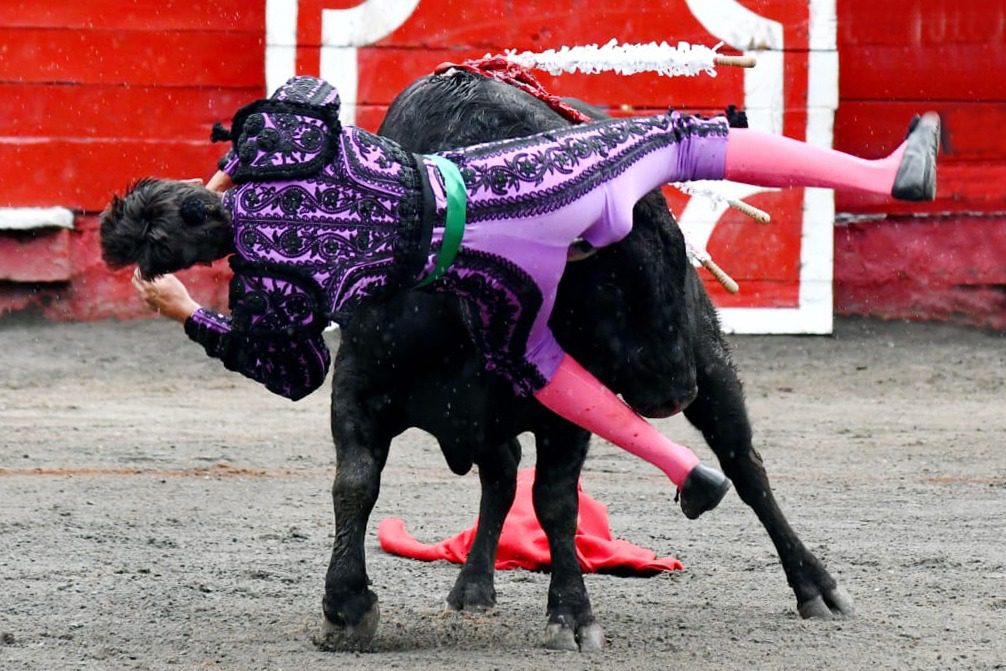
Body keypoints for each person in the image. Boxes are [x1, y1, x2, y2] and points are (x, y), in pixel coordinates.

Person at [100, 75, 939, 520]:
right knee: (684, 140)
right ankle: (881, 176)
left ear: (186, 260)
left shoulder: (270, 291)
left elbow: (296, 371)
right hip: (521, 190)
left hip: (487, 274)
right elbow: (309, 94)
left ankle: (681, 466)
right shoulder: (273, 148)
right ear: (186, 192)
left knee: (534, 359)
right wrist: (225, 172)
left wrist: (192, 316)